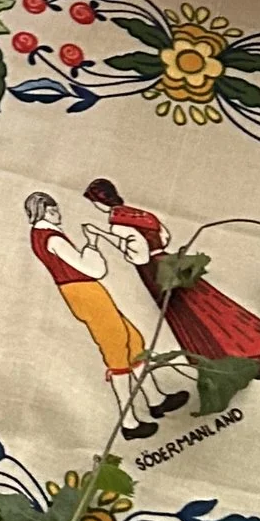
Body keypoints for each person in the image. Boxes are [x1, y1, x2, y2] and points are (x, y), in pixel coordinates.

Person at [24, 188, 185, 439]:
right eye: (52, 210)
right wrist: (92, 244)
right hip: (83, 291)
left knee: (133, 340)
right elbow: (89, 268)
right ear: (41, 212)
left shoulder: (45, 235)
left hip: (85, 291)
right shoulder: (51, 238)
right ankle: (129, 422)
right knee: (116, 347)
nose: (58, 213)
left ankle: (155, 399)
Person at [82, 179, 260, 372]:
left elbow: (139, 255)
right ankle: (252, 356)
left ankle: (220, 363)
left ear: (99, 202)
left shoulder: (117, 223)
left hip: (154, 271)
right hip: (169, 262)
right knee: (209, 307)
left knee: (188, 315)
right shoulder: (143, 214)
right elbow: (165, 237)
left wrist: (101, 235)